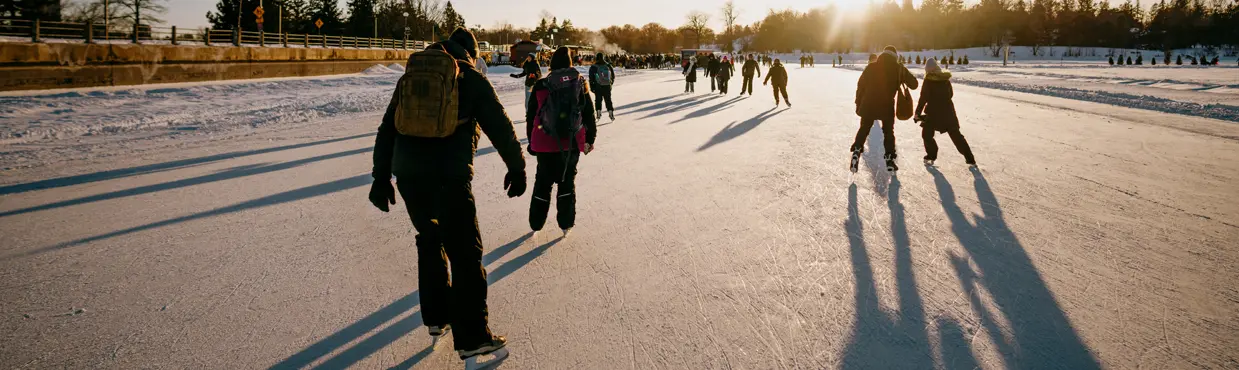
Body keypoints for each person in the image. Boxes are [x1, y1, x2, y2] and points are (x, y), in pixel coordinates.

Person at [370, 28, 523, 368]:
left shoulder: (412, 77)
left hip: (408, 178)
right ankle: (474, 341)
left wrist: (381, 178)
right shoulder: (469, 77)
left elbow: (387, 129)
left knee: (429, 240)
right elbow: (500, 126)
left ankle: (437, 320)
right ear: (471, 52)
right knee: (466, 256)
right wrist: (517, 167)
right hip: (448, 181)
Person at [525, 47, 599, 235]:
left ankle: (536, 223)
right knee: (567, 182)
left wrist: (532, 143)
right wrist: (589, 139)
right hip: (571, 142)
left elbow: (531, 115)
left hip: (544, 143)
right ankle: (566, 224)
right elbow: (588, 114)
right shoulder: (580, 83)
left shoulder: (541, 85)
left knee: (543, 182)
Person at [852, 45, 918, 173]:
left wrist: (858, 102)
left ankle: (856, 151)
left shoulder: (871, 66)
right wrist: (902, 72)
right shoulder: (899, 68)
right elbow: (914, 84)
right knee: (888, 132)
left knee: (864, 128)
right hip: (886, 106)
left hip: (868, 104)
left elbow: (860, 85)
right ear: (895, 56)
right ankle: (889, 159)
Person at [915, 58, 975, 167]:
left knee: (927, 135)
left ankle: (931, 155)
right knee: (956, 135)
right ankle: (970, 158)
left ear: (928, 69)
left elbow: (923, 98)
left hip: (933, 113)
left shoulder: (928, 80)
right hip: (948, 112)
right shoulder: (945, 79)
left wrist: (917, 112)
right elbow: (950, 94)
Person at [589, 52, 617, 122]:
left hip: (598, 86)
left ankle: (598, 114)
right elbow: (613, 76)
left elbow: (591, 78)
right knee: (608, 100)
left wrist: (592, 87)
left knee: (598, 100)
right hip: (607, 86)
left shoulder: (593, 67)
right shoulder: (608, 65)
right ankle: (611, 114)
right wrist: (610, 84)